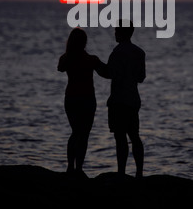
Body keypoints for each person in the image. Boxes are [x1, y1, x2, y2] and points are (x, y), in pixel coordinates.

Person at [99, 20, 146, 179]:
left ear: (122, 32)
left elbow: (108, 73)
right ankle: (139, 172)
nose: (115, 33)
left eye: (117, 30)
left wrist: (96, 64)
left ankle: (121, 172)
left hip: (118, 100)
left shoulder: (117, 52)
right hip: (133, 100)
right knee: (134, 135)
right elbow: (141, 78)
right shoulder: (139, 53)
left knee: (120, 137)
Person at [57, 27, 103, 178]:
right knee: (83, 134)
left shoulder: (66, 58)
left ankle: (71, 167)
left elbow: (60, 68)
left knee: (76, 132)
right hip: (87, 99)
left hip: (71, 99)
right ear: (84, 42)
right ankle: (78, 168)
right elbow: (106, 72)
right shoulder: (91, 60)